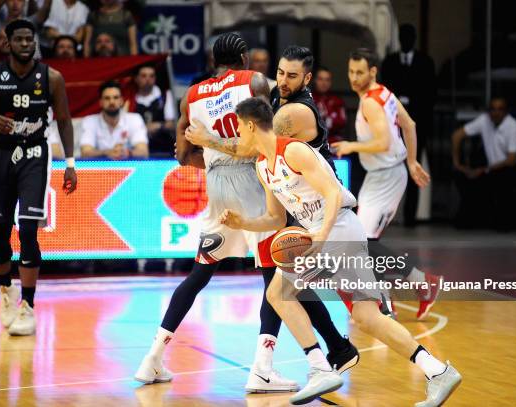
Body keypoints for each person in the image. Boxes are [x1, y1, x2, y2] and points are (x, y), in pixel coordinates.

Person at [222, 96, 462, 407]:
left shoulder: (292, 150)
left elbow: (333, 191)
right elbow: (276, 218)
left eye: (239, 129)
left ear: (251, 126)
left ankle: (320, 366)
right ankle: (437, 371)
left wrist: (322, 233)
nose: (239, 136)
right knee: (366, 317)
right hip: (331, 232)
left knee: (278, 293)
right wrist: (243, 222)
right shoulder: (262, 167)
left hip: (336, 227)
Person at [135, 32, 302, 393]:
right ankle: (262, 367)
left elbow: (181, 155)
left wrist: (212, 160)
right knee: (273, 278)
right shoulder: (254, 81)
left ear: (214, 59)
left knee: (199, 275)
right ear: (242, 58)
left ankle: (152, 359)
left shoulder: (191, 95)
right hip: (252, 182)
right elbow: (264, 137)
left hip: (216, 185)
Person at [184, 45, 359, 372]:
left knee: (299, 288)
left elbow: (248, 146)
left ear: (307, 78)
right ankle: (330, 351)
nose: (282, 80)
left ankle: (309, 359)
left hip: (321, 203)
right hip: (295, 198)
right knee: (285, 284)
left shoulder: (293, 113)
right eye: (280, 72)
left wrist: (208, 141)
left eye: (292, 76)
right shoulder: (279, 99)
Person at [0, 19, 77, 336]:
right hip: (0, 154)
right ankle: (6, 290)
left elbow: (65, 121)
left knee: (29, 231)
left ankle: (28, 306)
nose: (26, 44)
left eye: (31, 39)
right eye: (20, 39)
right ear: (7, 43)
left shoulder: (51, 77)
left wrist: (70, 163)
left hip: (34, 155)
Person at [331, 48, 441, 320]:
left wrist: (350, 145)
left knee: (366, 242)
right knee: (365, 241)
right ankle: (421, 283)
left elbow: (383, 142)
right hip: (382, 174)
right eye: (350, 72)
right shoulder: (385, 93)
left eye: (360, 72)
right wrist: (413, 161)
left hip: (387, 176)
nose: (354, 78)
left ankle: (387, 303)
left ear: (372, 72)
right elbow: (410, 125)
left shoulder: (370, 102)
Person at [381, 23, 436, 227]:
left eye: (409, 37)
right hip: (393, 124)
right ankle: (387, 214)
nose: (406, 40)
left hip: (417, 124)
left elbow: (431, 94)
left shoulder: (425, 62)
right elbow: (384, 90)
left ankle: (410, 216)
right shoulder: (390, 62)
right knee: (390, 166)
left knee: (413, 165)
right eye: (403, 36)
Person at [452, 97, 516, 230]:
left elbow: (511, 160)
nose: (496, 112)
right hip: (492, 169)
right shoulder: (484, 120)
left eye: (500, 109)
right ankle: (470, 219)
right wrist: (457, 164)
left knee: (502, 176)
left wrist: (483, 170)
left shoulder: (513, 126)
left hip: (515, 169)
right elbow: (457, 136)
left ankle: (503, 221)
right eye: (493, 109)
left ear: (506, 111)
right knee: (463, 176)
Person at [80, 80, 149, 159]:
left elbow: (144, 152)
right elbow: (85, 153)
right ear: (100, 102)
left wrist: (127, 152)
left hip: (128, 166)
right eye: (107, 98)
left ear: (121, 101)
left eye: (116, 97)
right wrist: (106, 152)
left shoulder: (134, 119)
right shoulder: (89, 121)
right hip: (100, 168)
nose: (112, 102)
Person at [133, 65, 176, 156]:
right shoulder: (130, 99)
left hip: (164, 150)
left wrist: (159, 125)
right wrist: (144, 128)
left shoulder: (165, 95)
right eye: (144, 76)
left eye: (151, 76)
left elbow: (173, 125)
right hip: (137, 150)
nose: (148, 79)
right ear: (136, 79)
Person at [312, 66, 347, 143]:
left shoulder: (337, 101)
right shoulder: (309, 100)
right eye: (320, 79)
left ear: (330, 82)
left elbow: (342, 122)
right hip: (313, 143)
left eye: (327, 80)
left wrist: (326, 121)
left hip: (334, 143)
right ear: (314, 80)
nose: (324, 83)